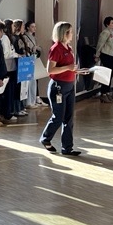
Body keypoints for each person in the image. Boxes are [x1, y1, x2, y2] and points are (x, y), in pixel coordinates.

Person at [39, 21, 85, 155]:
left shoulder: (68, 47)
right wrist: (68, 68)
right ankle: (45, 138)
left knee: (69, 119)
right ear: (64, 33)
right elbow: (50, 70)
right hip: (58, 86)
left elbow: (69, 68)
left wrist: (78, 71)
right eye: (70, 32)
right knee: (58, 117)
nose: (72, 34)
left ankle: (67, 148)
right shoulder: (56, 48)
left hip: (69, 85)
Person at [95, 16, 113, 102]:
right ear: (107, 24)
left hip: (111, 55)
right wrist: (97, 55)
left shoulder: (112, 33)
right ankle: (103, 93)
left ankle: (107, 92)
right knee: (106, 74)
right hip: (105, 55)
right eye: (112, 23)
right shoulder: (105, 33)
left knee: (110, 74)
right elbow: (100, 44)